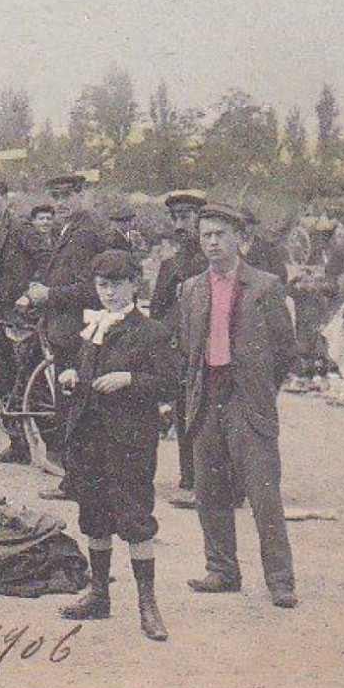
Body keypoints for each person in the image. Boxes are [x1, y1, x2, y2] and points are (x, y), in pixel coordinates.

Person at [179, 203, 298, 609]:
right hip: (206, 396)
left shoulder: (265, 287)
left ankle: (280, 580)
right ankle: (222, 570)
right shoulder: (192, 289)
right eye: (206, 236)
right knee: (209, 491)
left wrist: (260, 388)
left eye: (220, 235)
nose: (212, 243)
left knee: (263, 492)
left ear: (239, 239)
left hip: (247, 399)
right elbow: (187, 348)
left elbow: (285, 348)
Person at [55, 250, 178, 637]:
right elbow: (86, 368)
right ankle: (99, 595)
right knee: (94, 515)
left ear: (134, 285)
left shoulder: (151, 331)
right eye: (102, 285)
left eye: (117, 285)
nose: (109, 293)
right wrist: (74, 373)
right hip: (90, 438)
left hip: (129, 441)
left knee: (136, 519)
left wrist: (129, 379)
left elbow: (171, 384)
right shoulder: (93, 327)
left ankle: (148, 606)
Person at [0, 177, 46, 464]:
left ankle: (51, 446)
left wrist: (32, 293)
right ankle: (18, 445)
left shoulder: (19, 228)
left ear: (4, 198)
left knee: (31, 379)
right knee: (3, 379)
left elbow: (46, 259)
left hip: (22, 315)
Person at [18, 173, 115, 373]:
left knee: (71, 394)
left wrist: (48, 294)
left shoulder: (84, 233)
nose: (60, 203)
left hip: (75, 332)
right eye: (56, 197)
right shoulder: (69, 227)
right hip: (66, 328)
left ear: (81, 195)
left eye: (67, 196)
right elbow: (61, 273)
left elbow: (90, 288)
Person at [149, 189, 209, 502]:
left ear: (200, 218)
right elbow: (157, 309)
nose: (180, 224)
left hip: (207, 349)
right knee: (184, 411)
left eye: (186, 217)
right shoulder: (169, 264)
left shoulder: (211, 262)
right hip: (177, 351)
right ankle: (189, 477)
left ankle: (206, 478)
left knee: (205, 414)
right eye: (176, 218)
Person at [240, 206, 291, 282]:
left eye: (248, 224)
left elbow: (282, 273)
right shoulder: (231, 246)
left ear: (254, 226)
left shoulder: (266, 248)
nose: (244, 229)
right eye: (240, 225)